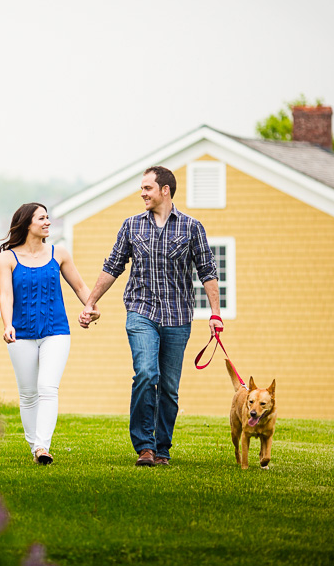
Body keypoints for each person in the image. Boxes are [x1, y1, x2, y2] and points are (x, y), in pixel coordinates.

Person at [78, 166, 221, 467]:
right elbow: (112, 267)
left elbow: (207, 271)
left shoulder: (192, 228)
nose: (142, 193)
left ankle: (162, 448)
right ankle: (145, 446)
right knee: (146, 373)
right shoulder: (132, 226)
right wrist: (90, 303)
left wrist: (216, 314)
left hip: (177, 316)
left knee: (169, 387)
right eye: (142, 189)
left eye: (147, 188)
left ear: (165, 190)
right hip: (140, 311)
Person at [0, 202, 98, 465]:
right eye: (42, 218)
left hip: (56, 331)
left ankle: (42, 446)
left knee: (47, 387)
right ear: (27, 224)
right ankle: (36, 448)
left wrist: (92, 307)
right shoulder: (7, 258)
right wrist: (8, 324)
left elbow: (79, 286)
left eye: (48, 218)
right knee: (29, 394)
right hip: (21, 334)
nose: (48, 222)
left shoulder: (59, 253)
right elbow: (6, 296)